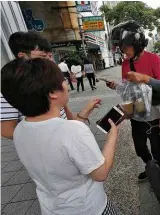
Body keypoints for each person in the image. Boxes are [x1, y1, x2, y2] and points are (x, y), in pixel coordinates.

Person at [1, 58, 120, 215]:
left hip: (52, 209)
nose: (67, 83)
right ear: (52, 93)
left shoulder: (19, 130)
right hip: (89, 209)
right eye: (63, 80)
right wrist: (112, 136)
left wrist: (84, 112)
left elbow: (56, 136)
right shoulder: (73, 131)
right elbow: (101, 173)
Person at [1, 31, 99, 139]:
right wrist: (50, 139)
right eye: (43, 56)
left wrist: (84, 113)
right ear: (22, 57)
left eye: (50, 56)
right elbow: (7, 130)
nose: (50, 61)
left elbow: (67, 118)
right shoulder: (11, 88)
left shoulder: (50, 80)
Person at [108, 21, 160, 182]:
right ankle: (150, 166)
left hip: (154, 112)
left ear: (137, 43)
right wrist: (117, 86)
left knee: (157, 148)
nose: (122, 51)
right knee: (140, 148)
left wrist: (146, 79)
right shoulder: (126, 63)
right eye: (120, 47)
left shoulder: (153, 59)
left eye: (125, 46)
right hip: (137, 111)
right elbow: (129, 88)